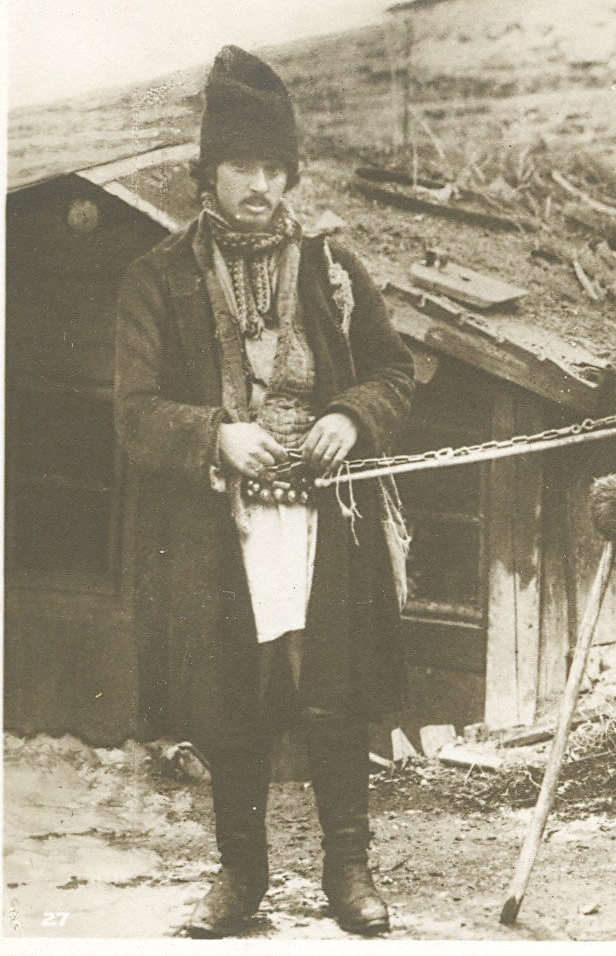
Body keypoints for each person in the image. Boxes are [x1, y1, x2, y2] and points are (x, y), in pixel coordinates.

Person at [115, 45, 415, 937]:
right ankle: (240, 878)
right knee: (230, 699)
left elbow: (398, 372)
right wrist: (213, 432)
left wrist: (353, 415)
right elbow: (132, 412)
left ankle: (348, 874)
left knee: (334, 692)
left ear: (289, 175)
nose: (258, 185)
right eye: (239, 166)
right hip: (215, 522)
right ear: (208, 175)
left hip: (325, 519)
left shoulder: (333, 270)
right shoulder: (156, 278)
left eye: (272, 168)